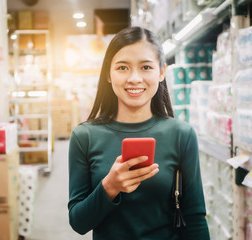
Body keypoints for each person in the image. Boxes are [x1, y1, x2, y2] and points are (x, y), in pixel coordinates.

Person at [68, 26, 210, 240]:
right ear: (108, 73)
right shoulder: (84, 137)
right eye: (122, 68)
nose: (134, 78)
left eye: (145, 67)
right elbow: (78, 223)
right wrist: (109, 187)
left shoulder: (181, 134)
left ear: (161, 72)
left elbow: (195, 217)